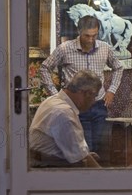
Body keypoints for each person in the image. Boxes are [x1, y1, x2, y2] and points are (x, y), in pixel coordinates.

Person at [39, 15, 123, 154]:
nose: (90, 40)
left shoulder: (105, 48)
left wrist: (112, 90)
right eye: (87, 36)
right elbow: (44, 68)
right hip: (74, 108)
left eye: (94, 36)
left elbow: (118, 67)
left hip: (98, 105)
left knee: (101, 148)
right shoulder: (65, 49)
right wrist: (55, 96)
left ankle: (99, 175)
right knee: (82, 150)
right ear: (79, 31)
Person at [29, 70, 103, 168]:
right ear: (87, 93)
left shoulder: (52, 100)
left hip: (45, 164)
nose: (94, 102)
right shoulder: (64, 113)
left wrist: (85, 156)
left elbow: (79, 153)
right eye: (95, 96)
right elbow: (81, 160)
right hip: (49, 170)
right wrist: (105, 178)